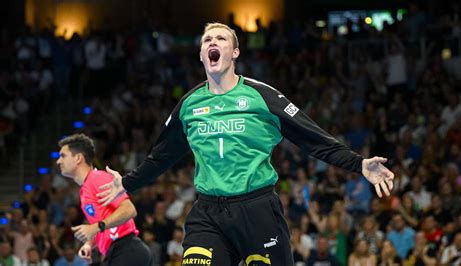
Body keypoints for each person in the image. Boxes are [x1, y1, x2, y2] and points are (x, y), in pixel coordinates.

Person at [98, 22, 395, 265]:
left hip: (258, 210)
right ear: (202, 55)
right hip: (208, 213)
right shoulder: (189, 105)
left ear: (235, 51)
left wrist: (359, 164)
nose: (212, 42)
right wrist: (128, 183)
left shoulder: (261, 96)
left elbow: (314, 139)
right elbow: (161, 156)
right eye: (207, 40)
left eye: (221, 39)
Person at [56, 134, 151, 266]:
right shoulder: (85, 191)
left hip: (127, 250)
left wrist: (96, 227)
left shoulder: (97, 178)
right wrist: (90, 244)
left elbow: (129, 210)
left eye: (63, 156)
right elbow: (104, 225)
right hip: (116, 252)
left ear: (78, 158)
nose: (58, 161)